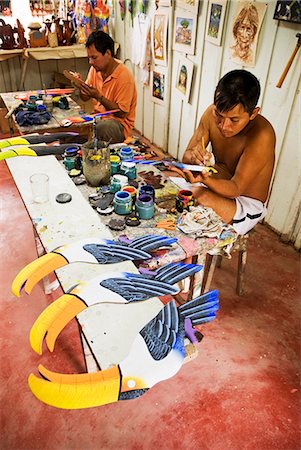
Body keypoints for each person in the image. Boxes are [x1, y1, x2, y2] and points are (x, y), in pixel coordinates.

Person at [181, 70, 276, 236]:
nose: (224, 126)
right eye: (219, 115)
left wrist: (206, 179)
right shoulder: (210, 114)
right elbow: (186, 156)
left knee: (197, 199)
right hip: (217, 181)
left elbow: (236, 188)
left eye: (234, 120)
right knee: (169, 185)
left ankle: (188, 259)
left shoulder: (262, 135)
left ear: (253, 113)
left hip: (245, 201)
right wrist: (193, 158)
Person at [76, 30, 137, 144]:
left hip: (118, 125)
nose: (91, 62)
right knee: (74, 128)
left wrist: (99, 97)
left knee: (101, 128)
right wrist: (80, 86)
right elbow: (85, 98)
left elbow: (122, 113)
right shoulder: (96, 69)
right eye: (89, 58)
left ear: (108, 53)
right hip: (98, 118)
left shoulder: (124, 76)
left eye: (94, 57)